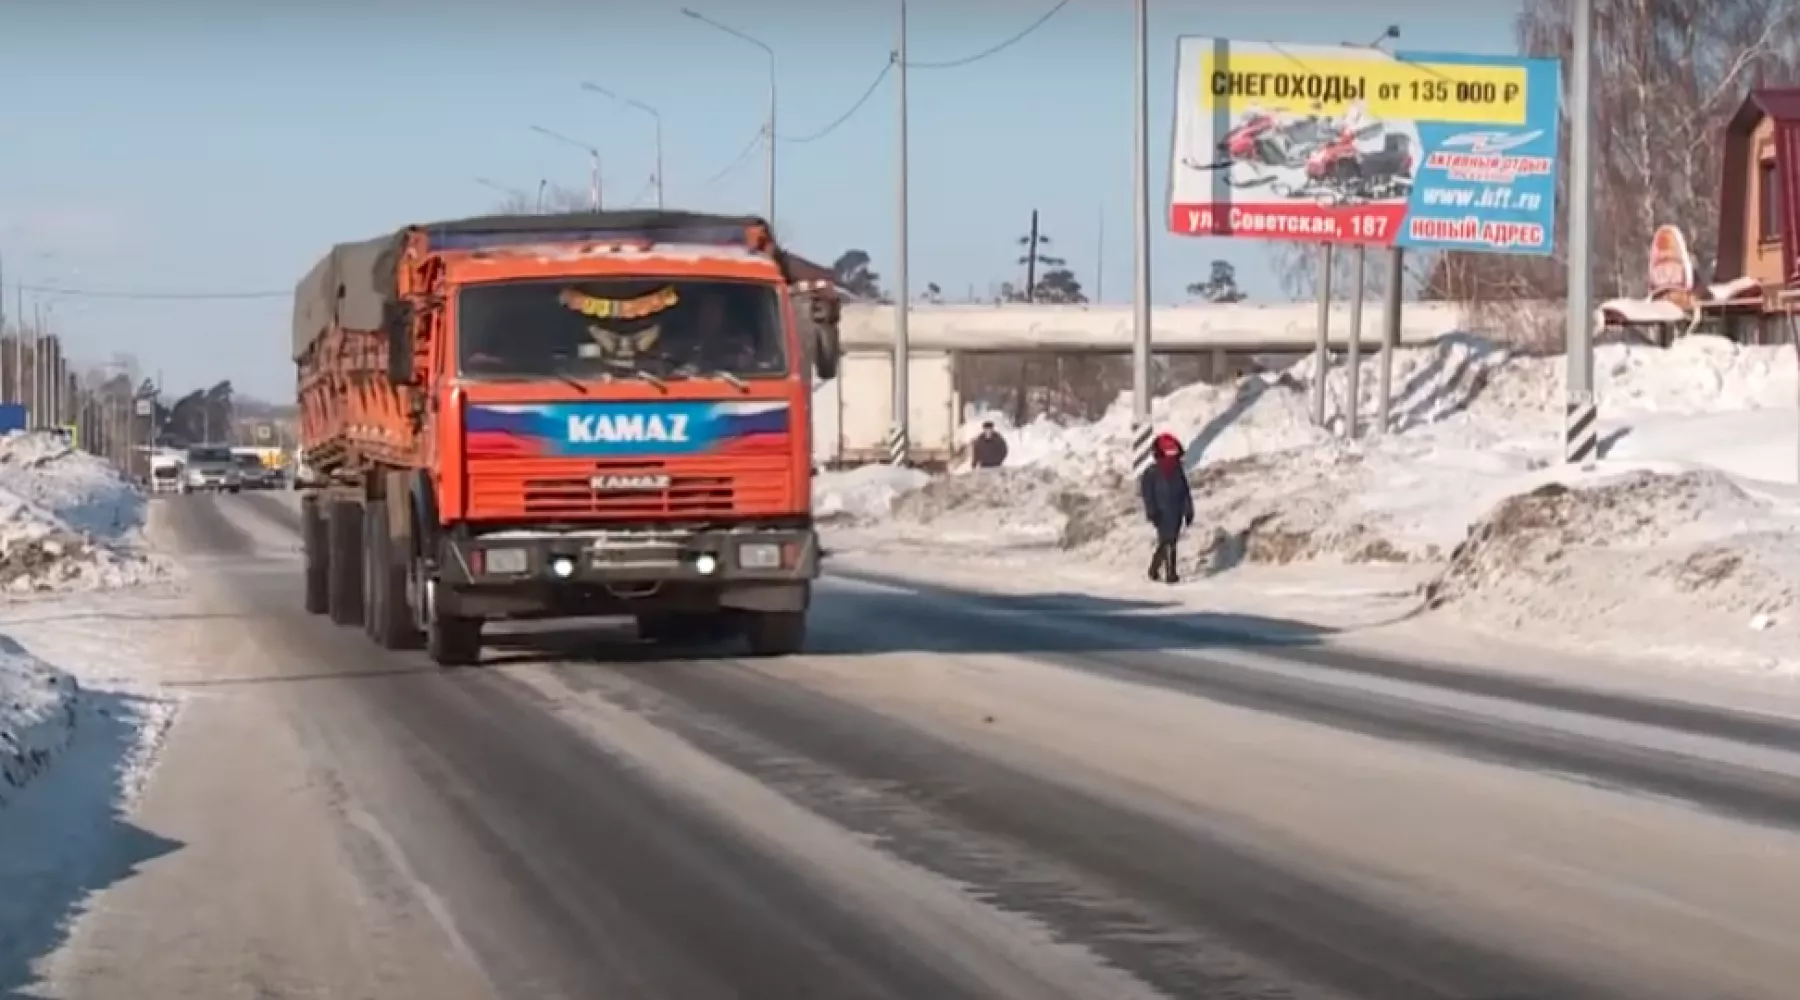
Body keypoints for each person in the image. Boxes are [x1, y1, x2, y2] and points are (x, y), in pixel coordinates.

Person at [1139, 432, 1193, 584]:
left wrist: (1188, 510)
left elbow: (1185, 492)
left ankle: (1154, 568)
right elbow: (1147, 494)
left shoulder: (1178, 472)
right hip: (1160, 512)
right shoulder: (1151, 473)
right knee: (1169, 541)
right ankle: (1171, 574)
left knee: (1167, 541)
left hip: (1176, 511)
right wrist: (1151, 511)